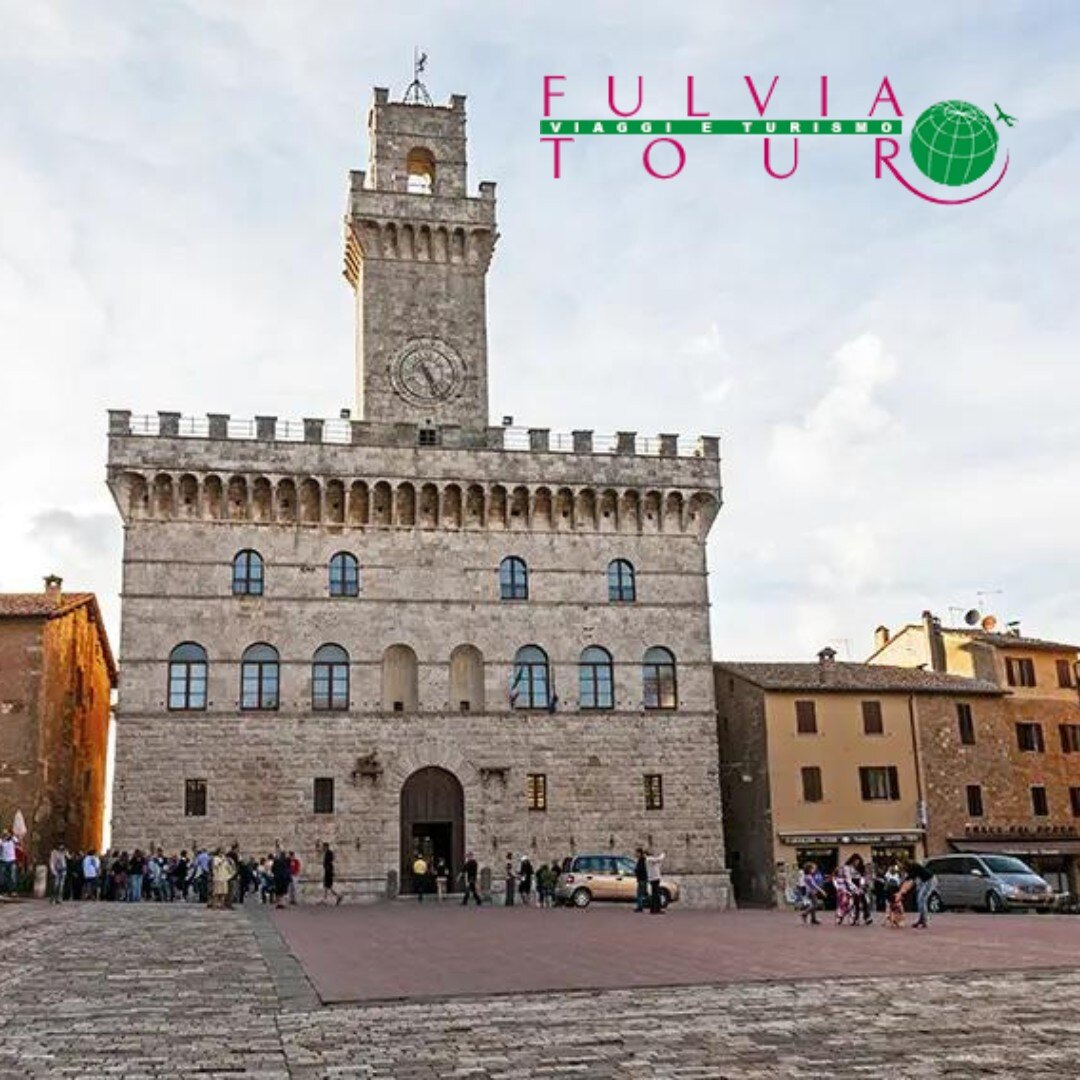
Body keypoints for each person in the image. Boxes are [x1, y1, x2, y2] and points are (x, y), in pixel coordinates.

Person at [905, 858, 936, 929]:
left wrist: (903, 883)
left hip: (929, 880)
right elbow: (910, 877)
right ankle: (921, 919)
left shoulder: (915, 867)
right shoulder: (915, 867)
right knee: (920, 900)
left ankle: (924, 920)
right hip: (925, 881)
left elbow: (911, 877)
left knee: (921, 899)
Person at [645, 850, 666, 914]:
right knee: (656, 895)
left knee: (655, 895)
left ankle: (654, 909)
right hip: (654, 879)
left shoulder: (650, 861)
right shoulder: (649, 859)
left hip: (654, 879)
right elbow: (659, 859)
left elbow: (657, 863)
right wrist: (663, 854)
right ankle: (656, 909)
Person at [633, 847, 649, 913]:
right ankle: (640, 906)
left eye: (636, 853)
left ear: (639, 853)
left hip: (642, 879)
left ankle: (640, 907)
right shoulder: (642, 859)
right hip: (642, 879)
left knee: (640, 894)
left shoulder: (641, 860)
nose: (635, 854)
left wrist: (636, 871)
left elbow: (641, 869)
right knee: (641, 893)